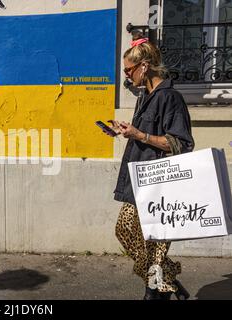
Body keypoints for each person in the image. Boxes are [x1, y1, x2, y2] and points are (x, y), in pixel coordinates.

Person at [106, 34, 195, 300]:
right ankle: (167, 279)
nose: (127, 76)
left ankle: (155, 291)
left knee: (156, 241)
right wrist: (127, 131)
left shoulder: (171, 98)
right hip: (139, 179)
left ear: (144, 66)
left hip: (161, 182)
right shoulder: (144, 97)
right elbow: (140, 134)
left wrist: (140, 135)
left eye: (128, 70)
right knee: (124, 229)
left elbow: (180, 143)